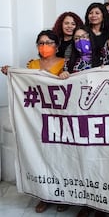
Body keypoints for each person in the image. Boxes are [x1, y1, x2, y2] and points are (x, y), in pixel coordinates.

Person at [1, 30, 66, 213]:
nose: (45, 46)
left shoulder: (64, 63)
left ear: (57, 46)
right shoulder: (32, 64)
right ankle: (43, 196)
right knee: (40, 156)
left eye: (49, 42)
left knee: (61, 158)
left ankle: (63, 196)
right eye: (41, 42)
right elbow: (25, 82)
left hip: (58, 117)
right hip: (37, 118)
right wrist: (11, 73)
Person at [60, 0, 109, 78]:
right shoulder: (69, 63)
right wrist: (63, 75)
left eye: (84, 37)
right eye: (77, 38)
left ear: (91, 38)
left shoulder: (103, 56)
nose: (81, 41)